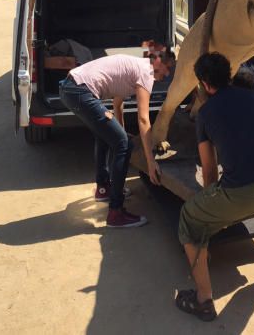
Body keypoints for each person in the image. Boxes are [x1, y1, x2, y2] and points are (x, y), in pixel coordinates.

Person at [175, 52, 254, 322]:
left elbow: (209, 170)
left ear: (205, 84)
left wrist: (213, 209)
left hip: (239, 194)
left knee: (188, 218)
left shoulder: (206, 113)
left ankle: (204, 299)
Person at [60, 51, 175, 228]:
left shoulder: (134, 67)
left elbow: (117, 103)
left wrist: (118, 131)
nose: (167, 74)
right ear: (157, 62)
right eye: (167, 69)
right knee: (124, 144)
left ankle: (103, 188)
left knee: (106, 136)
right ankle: (116, 212)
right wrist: (150, 162)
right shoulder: (146, 73)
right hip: (79, 91)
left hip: (71, 88)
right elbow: (144, 119)